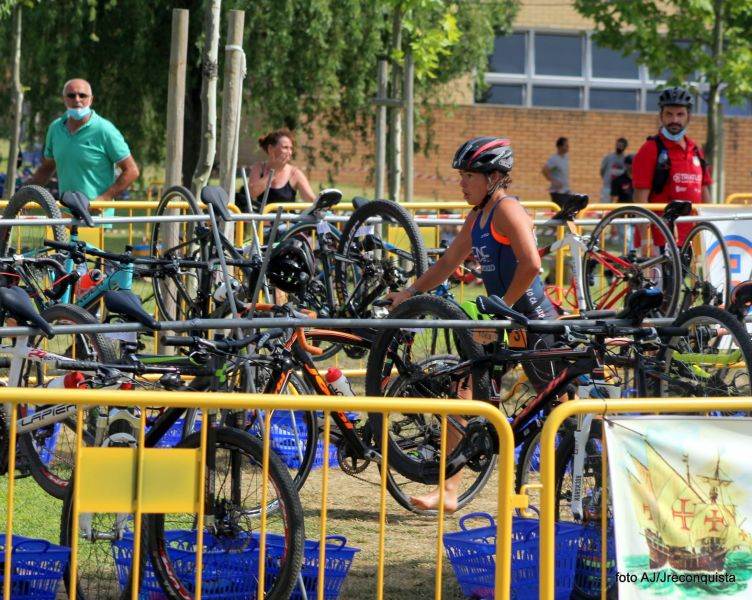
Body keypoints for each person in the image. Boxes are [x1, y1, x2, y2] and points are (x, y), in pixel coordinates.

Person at [385, 136, 560, 513]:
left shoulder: (507, 211)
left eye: (468, 176)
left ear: (494, 176)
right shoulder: (478, 217)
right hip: (504, 321)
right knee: (461, 391)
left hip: (534, 322)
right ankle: (449, 490)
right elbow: (448, 262)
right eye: (461, 176)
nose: (461, 183)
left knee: (564, 407)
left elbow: (531, 265)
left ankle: (597, 473)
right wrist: (410, 292)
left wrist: (505, 309)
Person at [28, 78, 139, 224]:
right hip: (65, 219)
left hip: (96, 218)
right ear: (64, 100)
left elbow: (131, 171)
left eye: (82, 95)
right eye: (71, 95)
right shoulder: (55, 128)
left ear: (91, 100)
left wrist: (104, 199)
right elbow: (47, 167)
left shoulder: (105, 130)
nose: (77, 99)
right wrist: (25, 194)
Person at [632, 86, 712, 246]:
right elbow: (640, 198)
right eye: (669, 114)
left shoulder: (695, 149)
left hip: (691, 237)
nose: (675, 120)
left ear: (689, 116)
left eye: (680, 114)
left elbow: (704, 191)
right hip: (660, 239)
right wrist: (647, 241)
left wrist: (709, 231)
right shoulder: (650, 149)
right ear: (661, 116)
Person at [244, 129, 316, 210]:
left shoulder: (294, 173)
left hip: (286, 222)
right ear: (271, 149)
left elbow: (311, 200)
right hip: (263, 221)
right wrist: (274, 172)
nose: (289, 152)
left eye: (291, 148)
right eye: (285, 147)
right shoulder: (259, 167)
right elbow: (251, 193)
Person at [541, 137, 570, 207]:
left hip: (565, 191)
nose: (568, 147)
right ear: (560, 146)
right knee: (560, 212)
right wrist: (553, 181)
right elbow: (544, 170)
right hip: (557, 192)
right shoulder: (554, 158)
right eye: (566, 145)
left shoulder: (565, 157)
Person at [599, 137, 628, 202]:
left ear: (625, 147)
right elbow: (602, 171)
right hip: (607, 187)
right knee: (604, 208)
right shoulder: (608, 157)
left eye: (621, 146)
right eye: (618, 145)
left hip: (619, 190)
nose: (619, 147)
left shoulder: (625, 159)